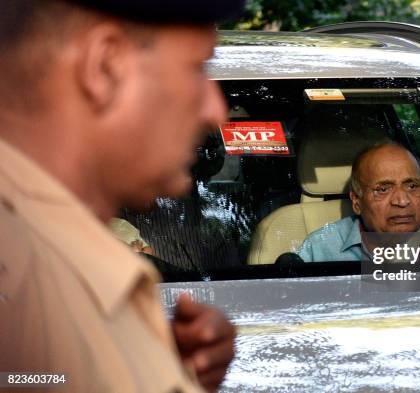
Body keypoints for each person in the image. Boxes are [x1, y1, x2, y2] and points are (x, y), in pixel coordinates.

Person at [0, 1, 243, 392]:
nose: (215, 112)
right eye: (195, 69)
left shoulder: (50, 254)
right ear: (105, 66)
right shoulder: (20, 268)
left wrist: (154, 366)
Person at [298, 142, 420, 262]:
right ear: (357, 201)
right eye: (383, 189)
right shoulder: (321, 249)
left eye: (412, 186)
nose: (402, 201)